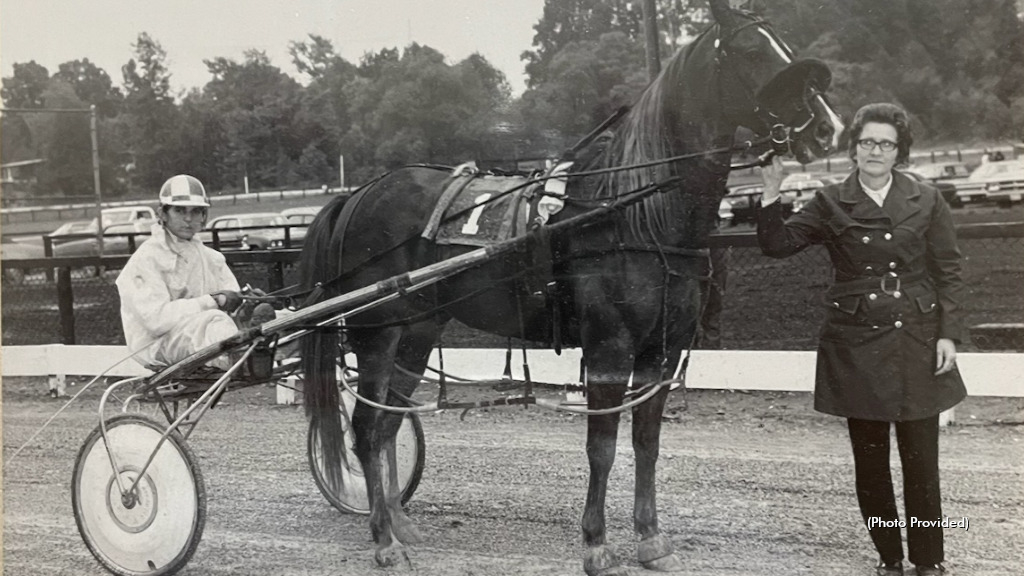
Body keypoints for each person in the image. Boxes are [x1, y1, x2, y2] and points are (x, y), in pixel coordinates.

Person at [757, 103, 966, 576]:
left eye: (886, 143)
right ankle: (889, 557)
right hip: (856, 346)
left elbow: (949, 271)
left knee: (921, 463)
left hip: (916, 340)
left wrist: (949, 334)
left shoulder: (928, 199)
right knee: (871, 466)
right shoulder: (830, 202)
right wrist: (771, 194)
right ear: (854, 149)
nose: (875, 150)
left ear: (899, 152)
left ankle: (929, 561)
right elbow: (778, 245)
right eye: (867, 142)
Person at [116, 174, 274, 375]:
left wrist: (246, 306)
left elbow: (230, 305)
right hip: (156, 345)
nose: (189, 219)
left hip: (199, 336)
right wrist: (214, 300)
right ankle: (243, 358)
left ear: (204, 216)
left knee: (282, 317)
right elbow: (156, 322)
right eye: (180, 211)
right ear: (162, 214)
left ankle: (253, 352)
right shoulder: (146, 259)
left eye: (196, 211)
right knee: (213, 319)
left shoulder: (212, 258)